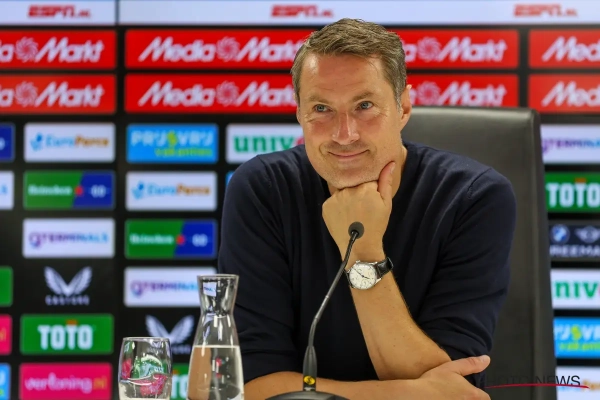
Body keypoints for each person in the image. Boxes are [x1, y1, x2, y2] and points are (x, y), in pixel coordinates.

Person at [218, 18, 516, 400]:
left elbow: (452, 385)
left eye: (364, 106)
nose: (344, 134)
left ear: (403, 106)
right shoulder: (262, 189)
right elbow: (251, 386)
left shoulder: (475, 198)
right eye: (321, 108)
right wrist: (408, 395)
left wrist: (363, 252)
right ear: (299, 114)